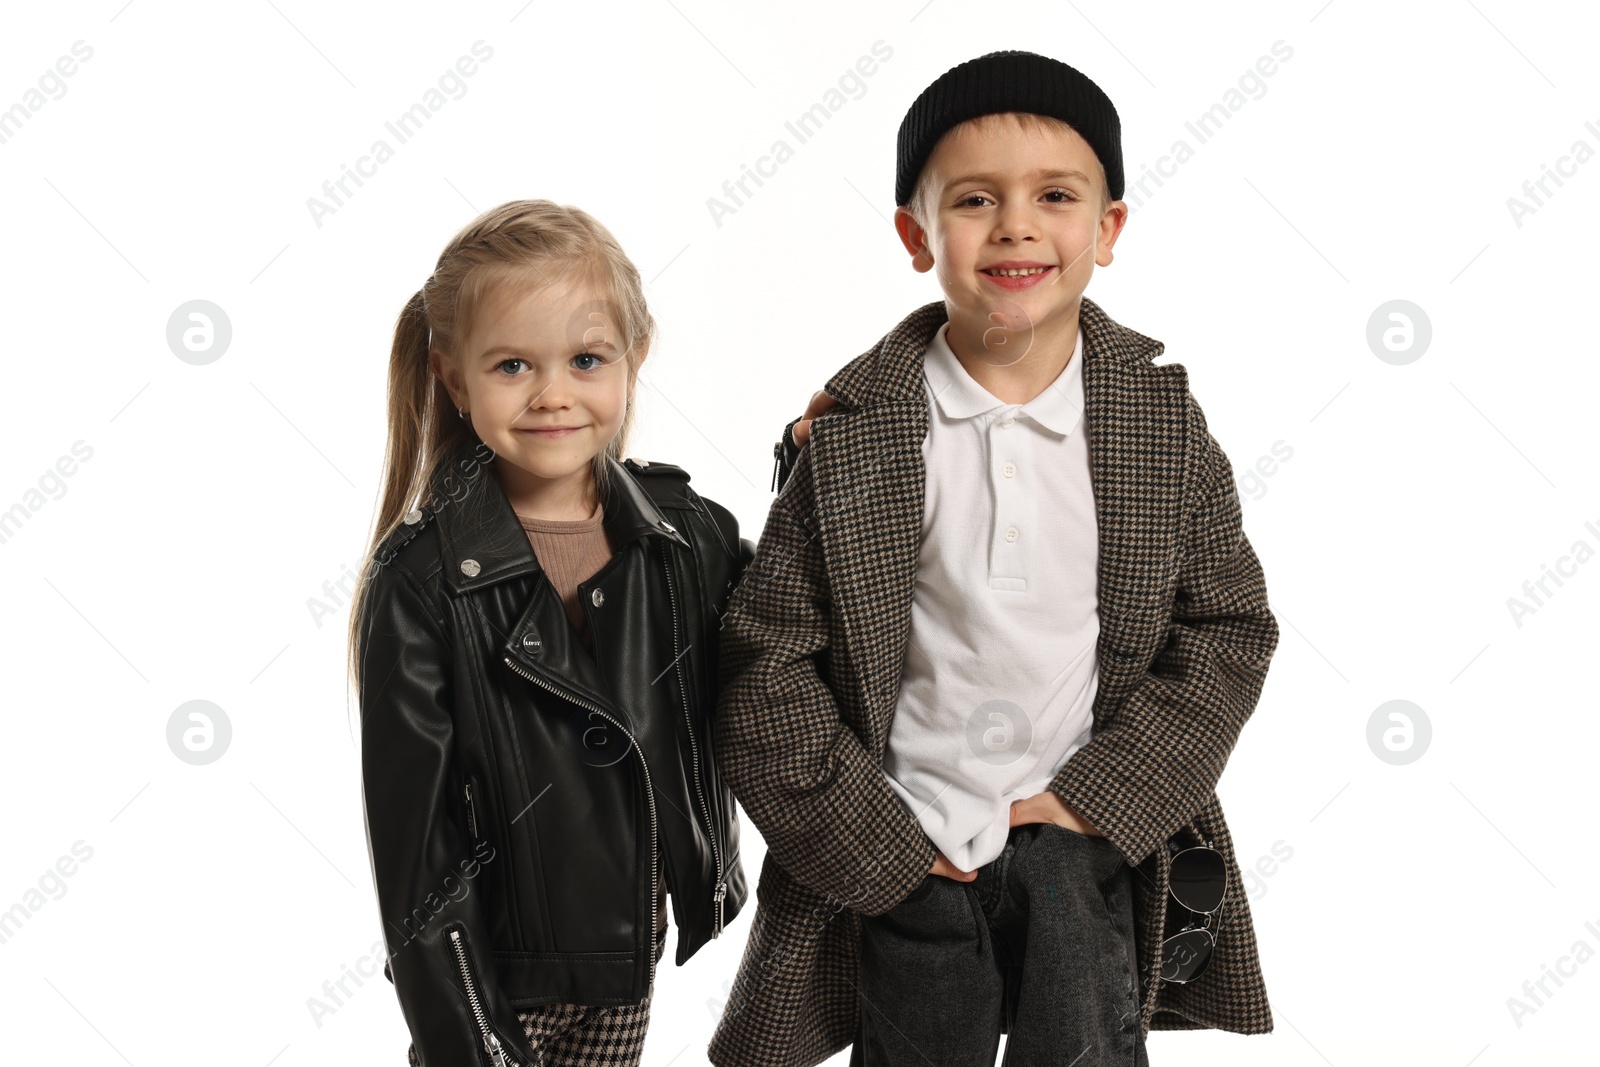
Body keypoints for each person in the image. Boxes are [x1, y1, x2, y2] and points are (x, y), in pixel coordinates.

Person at [711, 51, 1280, 1067]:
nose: (1015, 224)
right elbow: (764, 665)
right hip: (902, 842)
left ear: (1105, 230)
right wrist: (870, 841)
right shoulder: (853, 436)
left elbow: (1227, 627)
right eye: (974, 199)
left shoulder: (1162, 427)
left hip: (1081, 835)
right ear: (915, 235)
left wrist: (1098, 799)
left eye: (1054, 196)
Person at [348, 200, 751, 1066]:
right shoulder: (421, 583)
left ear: (633, 361)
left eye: (586, 359)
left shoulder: (688, 536)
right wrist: (477, 1042)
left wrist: (816, 464)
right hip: (493, 986)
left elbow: (791, 634)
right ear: (454, 378)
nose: (553, 393)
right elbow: (417, 857)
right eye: (512, 365)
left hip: (626, 970)